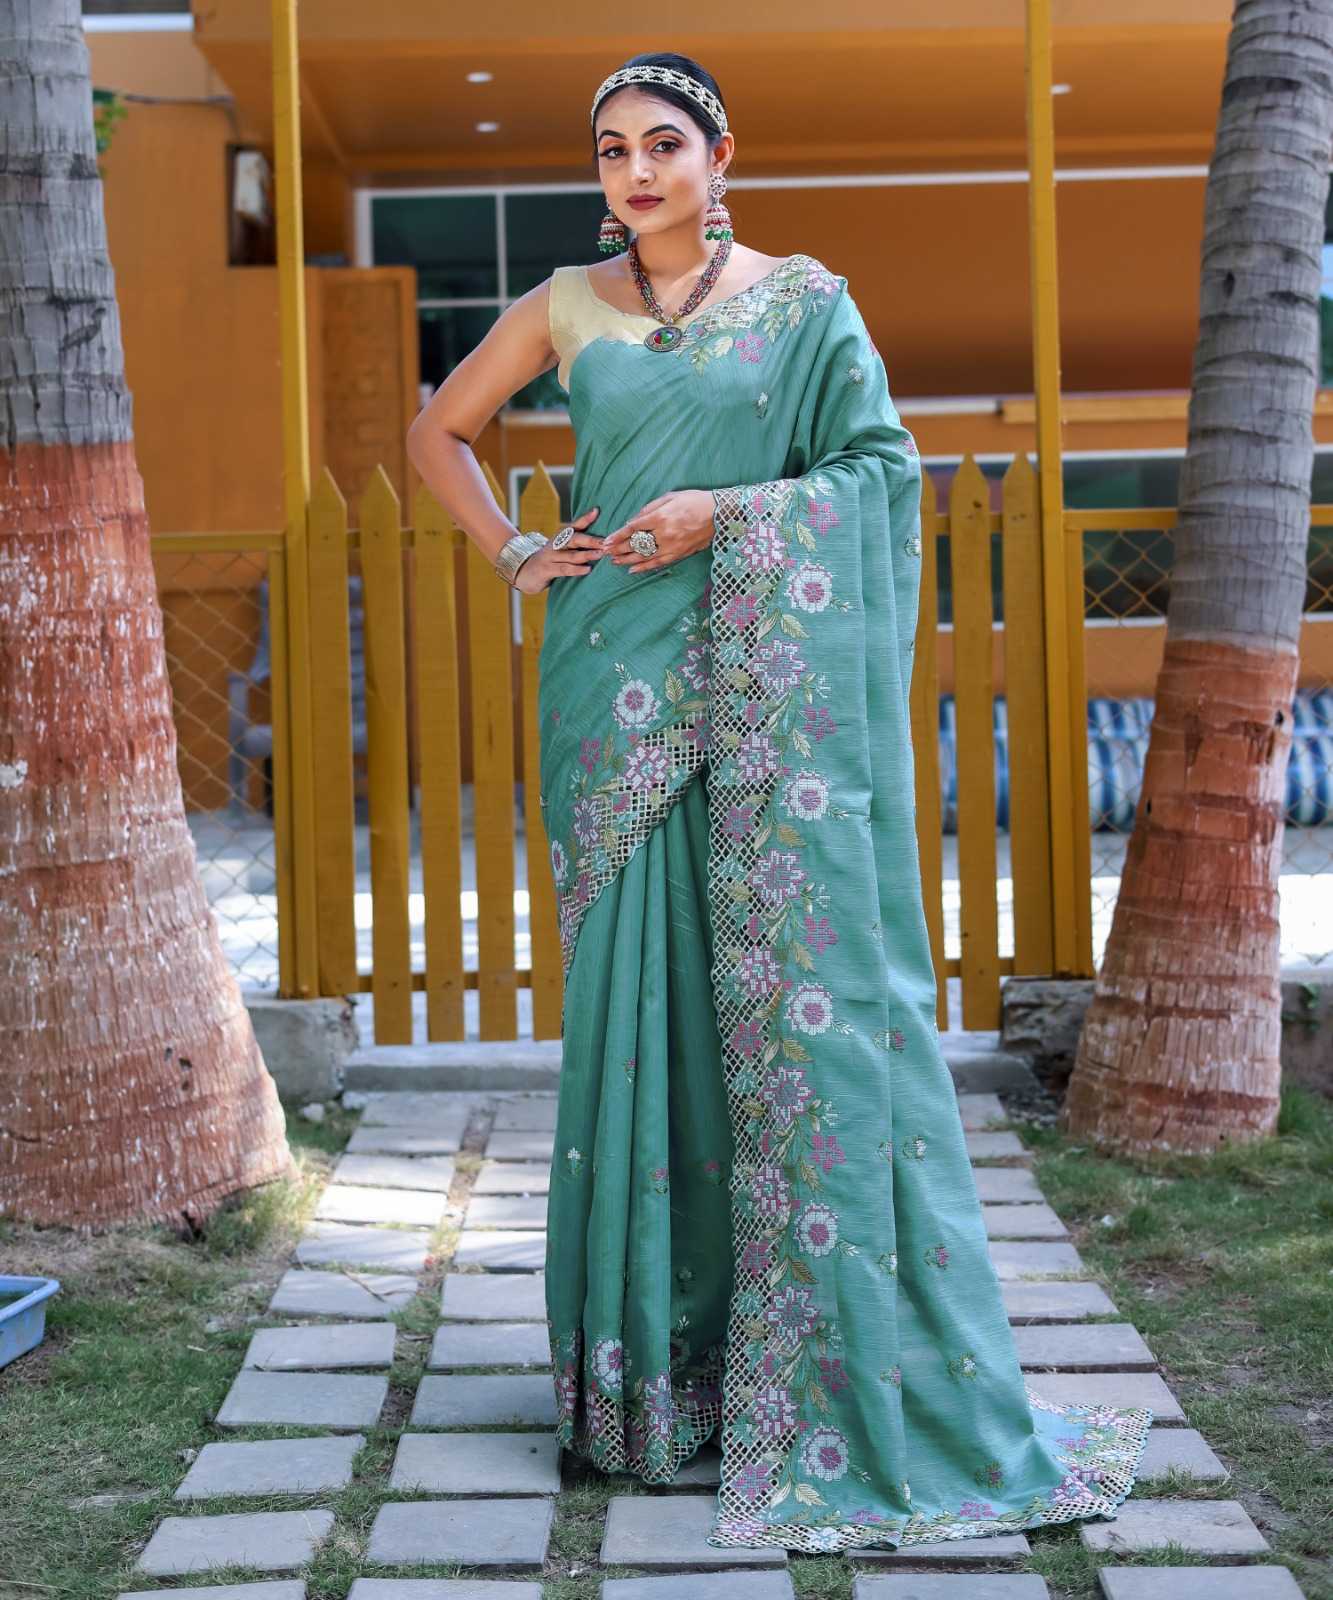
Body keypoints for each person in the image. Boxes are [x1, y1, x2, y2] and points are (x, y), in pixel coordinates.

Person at [405, 48, 1151, 1556]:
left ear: (720, 153)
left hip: (769, 692)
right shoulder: (564, 305)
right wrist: (514, 553)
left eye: (661, 143)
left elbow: (879, 472)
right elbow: (438, 431)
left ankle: (809, 1362)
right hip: (613, 682)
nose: (635, 172)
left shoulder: (806, 304)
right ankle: (654, 1384)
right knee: (641, 1004)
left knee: (795, 1008)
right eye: (611, 149)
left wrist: (727, 514)